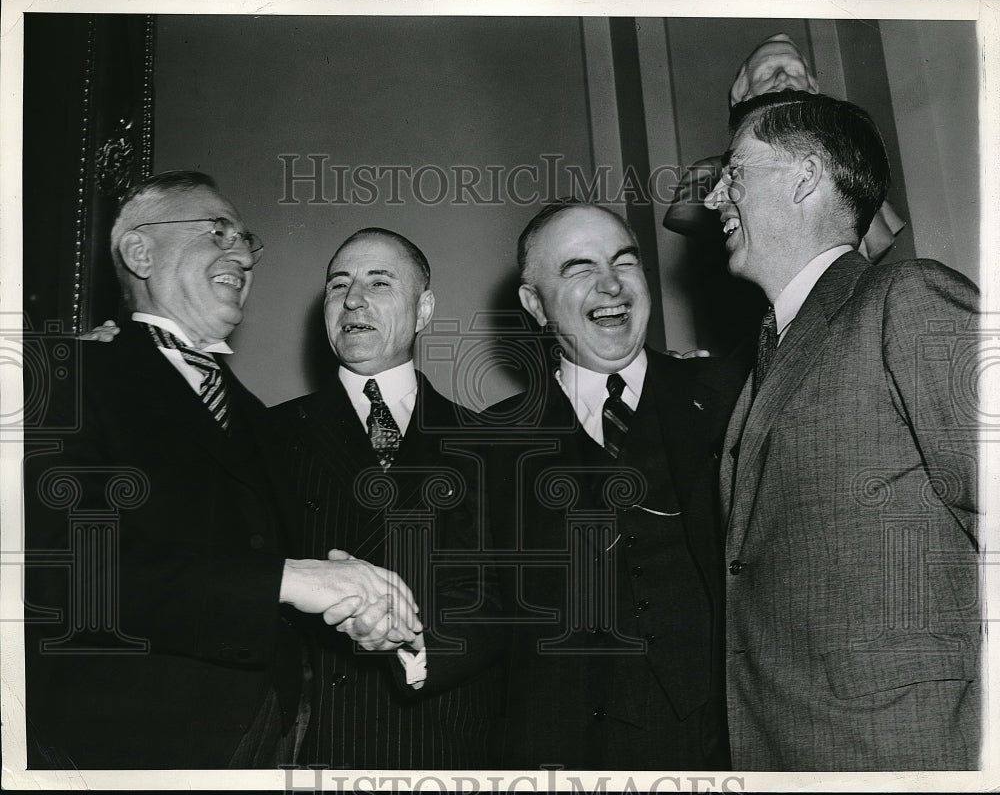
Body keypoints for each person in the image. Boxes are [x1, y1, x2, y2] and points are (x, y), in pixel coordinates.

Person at [23, 172, 421, 769]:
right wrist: (284, 580)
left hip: (270, 741)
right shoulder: (64, 376)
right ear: (140, 251)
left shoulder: (259, 418)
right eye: (216, 232)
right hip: (117, 753)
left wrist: (357, 605)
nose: (241, 253)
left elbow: (272, 563)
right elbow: (61, 575)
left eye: (245, 239)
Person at [705, 91, 980, 770]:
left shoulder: (907, 300)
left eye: (733, 172)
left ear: (803, 176)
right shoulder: (766, 359)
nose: (714, 197)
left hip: (902, 749)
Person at [484, 201, 749, 769]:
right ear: (535, 304)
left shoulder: (730, 396)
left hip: (724, 746)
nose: (611, 285)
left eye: (624, 263)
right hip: (564, 755)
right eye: (579, 268)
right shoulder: (487, 444)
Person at [269, 228, 503, 769]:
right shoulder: (267, 434)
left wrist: (415, 642)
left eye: (379, 282)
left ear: (424, 310)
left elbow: (507, 592)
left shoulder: (486, 442)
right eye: (338, 285)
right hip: (314, 744)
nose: (353, 299)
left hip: (448, 740)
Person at [664, 32, 904, 262]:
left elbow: (878, 241)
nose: (782, 79)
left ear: (813, 89)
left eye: (795, 71)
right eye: (766, 72)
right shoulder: (707, 176)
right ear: (743, 97)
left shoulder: (855, 172)